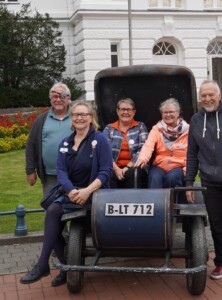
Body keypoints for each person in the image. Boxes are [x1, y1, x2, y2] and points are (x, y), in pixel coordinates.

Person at [20, 100, 113, 286]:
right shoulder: (66, 142)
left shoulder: (100, 139)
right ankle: (56, 266)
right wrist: (71, 190)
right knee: (52, 212)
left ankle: (55, 268)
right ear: (72, 118)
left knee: (55, 217)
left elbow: (105, 171)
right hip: (72, 192)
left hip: (95, 192)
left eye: (83, 114)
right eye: (76, 114)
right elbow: (61, 171)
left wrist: (86, 191)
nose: (79, 118)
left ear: (91, 118)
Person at [185, 80, 222, 280]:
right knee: (216, 223)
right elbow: (192, 154)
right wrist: (189, 183)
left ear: (219, 95)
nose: (207, 99)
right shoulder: (196, 121)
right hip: (209, 180)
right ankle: (220, 263)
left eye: (211, 94)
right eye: (204, 95)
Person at [25, 82, 73, 197]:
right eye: (55, 96)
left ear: (69, 98)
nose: (58, 99)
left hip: (74, 173)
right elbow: (31, 145)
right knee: (51, 208)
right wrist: (30, 170)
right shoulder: (41, 119)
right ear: (50, 99)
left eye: (62, 96)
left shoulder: (77, 116)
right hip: (50, 176)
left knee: (75, 208)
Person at [135, 98, 189, 189]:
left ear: (178, 113)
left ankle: (171, 203)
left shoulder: (188, 130)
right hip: (160, 165)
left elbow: (194, 152)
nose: (168, 115)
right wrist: (142, 158)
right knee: (154, 177)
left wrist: (187, 169)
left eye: (171, 112)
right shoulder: (157, 128)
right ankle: (154, 203)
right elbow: (148, 145)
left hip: (179, 166)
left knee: (172, 178)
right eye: (165, 112)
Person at [103, 98, 148, 188]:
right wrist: (116, 169)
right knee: (108, 173)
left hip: (134, 166)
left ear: (134, 112)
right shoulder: (109, 128)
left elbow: (143, 149)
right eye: (123, 109)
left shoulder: (140, 126)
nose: (125, 112)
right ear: (117, 111)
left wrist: (128, 167)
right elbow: (104, 151)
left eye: (129, 110)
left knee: (132, 174)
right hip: (113, 165)